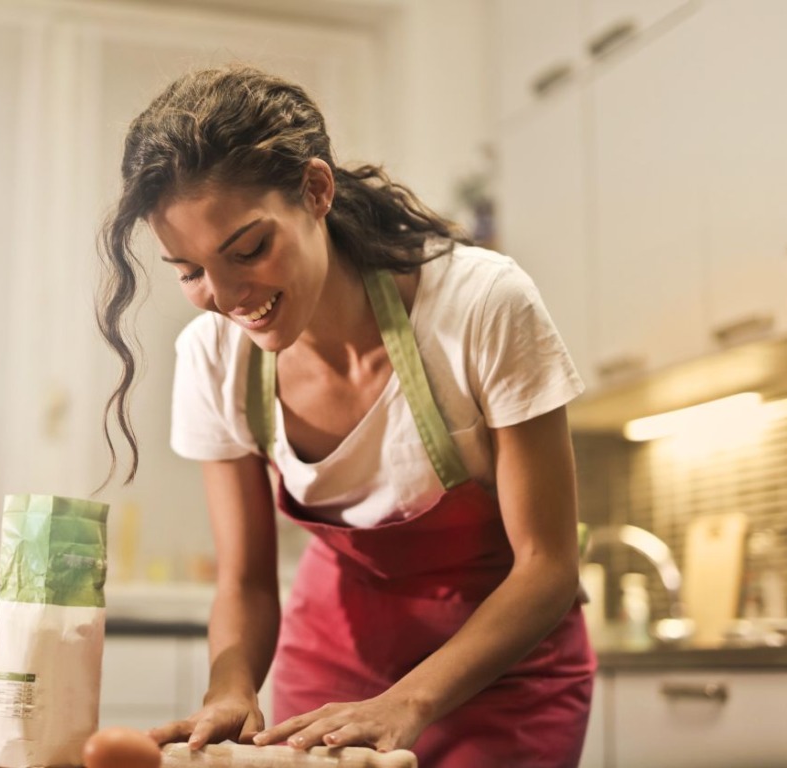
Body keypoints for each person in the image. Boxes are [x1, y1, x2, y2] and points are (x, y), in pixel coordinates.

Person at [95, 65, 594, 768]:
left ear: (317, 191)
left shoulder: (480, 307)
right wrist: (229, 689)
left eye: (248, 250)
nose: (227, 294)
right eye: (189, 271)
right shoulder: (214, 358)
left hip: (504, 677)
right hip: (332, 668)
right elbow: (244, 580)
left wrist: (406, 703)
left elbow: (547, 566)